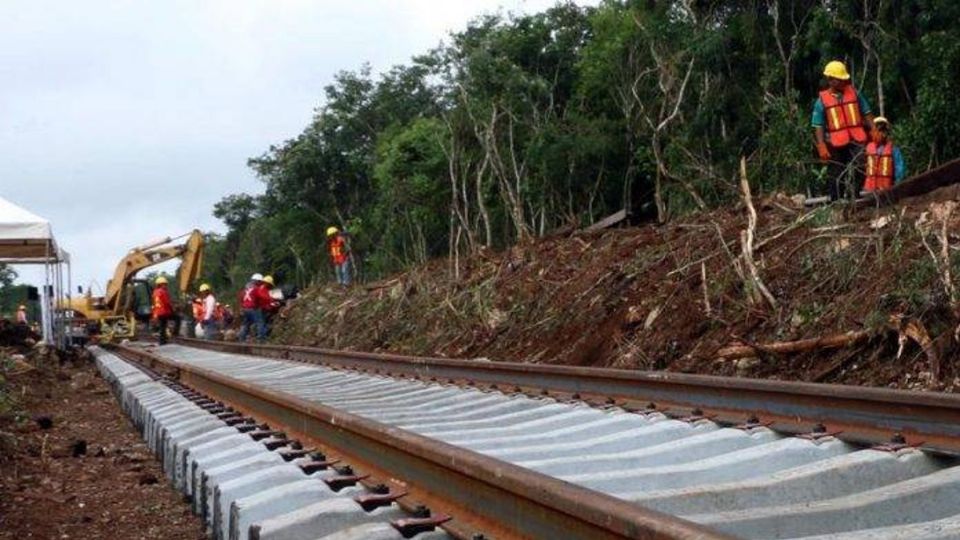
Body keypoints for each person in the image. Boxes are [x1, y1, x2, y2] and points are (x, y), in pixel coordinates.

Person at [812, 60, 876, 201]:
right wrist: (821, 145)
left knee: (861, 164)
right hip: (835, 141)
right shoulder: (822, 101)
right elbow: (818, 125)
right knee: (836, 172)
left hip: (856, 138)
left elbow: (867, 112)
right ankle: (837, 201)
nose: (843, 81)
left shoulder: (854, 93)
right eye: (840, 79)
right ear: (830, 80)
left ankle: (854, 195)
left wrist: (874, 130)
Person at [862, 117, 906, 193]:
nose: (881, 134)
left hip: (886, 188)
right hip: (869, 189)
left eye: (883, 131)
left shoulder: (893, 149)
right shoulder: (868, 148)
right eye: (877, 130)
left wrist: (897, 184)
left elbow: (899, 168)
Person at [238, 273, 272, 343]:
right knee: (260, 323)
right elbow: (263, 297)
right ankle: (261, 339)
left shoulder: (245, 289)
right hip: (253, 308)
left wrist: (242, 307)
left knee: (246, 324)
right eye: (260, 281)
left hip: (245, 309)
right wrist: (271, 299)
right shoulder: (256, 289)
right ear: (257, 281)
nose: (261, 283)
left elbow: (240, 298)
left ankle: (241, 338)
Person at [151, 276, 174, 345]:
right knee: (164, 326)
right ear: (161, 284)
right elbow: (167, 302)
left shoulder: (155, 292)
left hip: (157, 312)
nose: (166, 285)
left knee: (162, 326)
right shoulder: (163, 291)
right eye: (164, 284)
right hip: (164, 311)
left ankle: (162, 341)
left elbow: (154, 303)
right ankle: (163, 341)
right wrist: (172, 309)